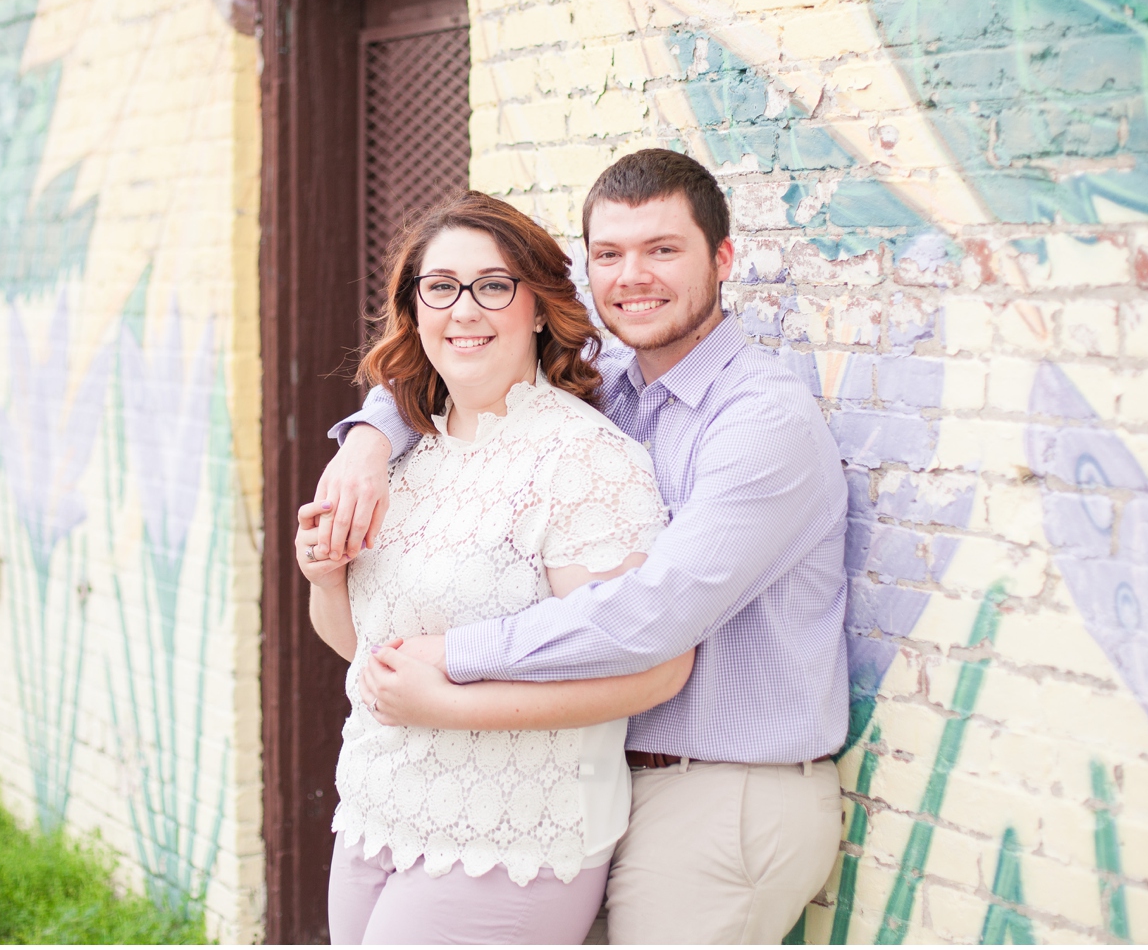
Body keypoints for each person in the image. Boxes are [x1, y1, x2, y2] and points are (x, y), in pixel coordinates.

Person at [311, 149, 850, 944]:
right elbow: (462, 363)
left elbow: (649, 618)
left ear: (723, 258)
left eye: (663, 250)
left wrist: (452, 659)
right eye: (609, 254)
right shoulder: (621, 388)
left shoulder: (758, 419)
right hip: (611, 774)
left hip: (722, 789)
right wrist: (364, 438)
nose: (634, 276)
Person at [295, 190, 695, 944]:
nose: (464, 309)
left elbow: (653, 671)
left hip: (510, 834)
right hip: (378, 808)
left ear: (538, 307)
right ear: (415, 309)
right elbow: (366, 657)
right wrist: (325, 578)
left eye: (493, 286)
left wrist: (445, 705)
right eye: (440, 287)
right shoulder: (406, 453)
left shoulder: (584, 460)